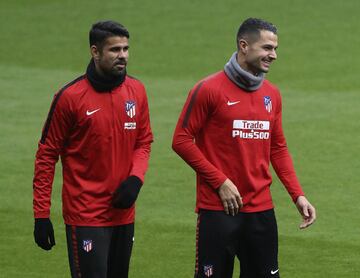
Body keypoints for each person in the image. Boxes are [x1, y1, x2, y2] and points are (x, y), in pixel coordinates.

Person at [172, 18, 316, 278]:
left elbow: (278, 148)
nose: (273, 55)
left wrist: (298, 195)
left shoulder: (272, 94)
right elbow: (181, 140)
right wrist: (220, 182)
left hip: (261, 211)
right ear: (244, 45)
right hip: (218, 210)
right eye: (267, 48)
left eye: (275, 49)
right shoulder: (208, 89)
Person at [32, 20, 153, 278]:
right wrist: (41, 215)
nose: (123, 56)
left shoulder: (137, 91)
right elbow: (46, 155)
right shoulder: (70, 98)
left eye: (126, 48)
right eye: (115, 50)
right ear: (95, 51)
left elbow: (143, 141)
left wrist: (136, 178)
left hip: (123, 214)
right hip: (85, 216)